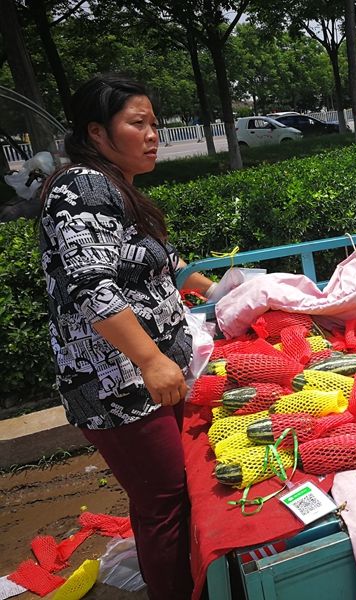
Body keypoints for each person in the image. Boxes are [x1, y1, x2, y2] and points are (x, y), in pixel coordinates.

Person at [39, 75, 215, 600]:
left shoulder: (118, 189)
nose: (153, 134)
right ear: (97, 131)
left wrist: (226, 290)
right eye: (137, 123)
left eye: (155, 123)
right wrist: (150, 359)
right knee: (165, 500)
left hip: (148, 375)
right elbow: (92, 287)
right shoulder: (80, 189)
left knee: (171, 496)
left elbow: (166, 265)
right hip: (117, 383)